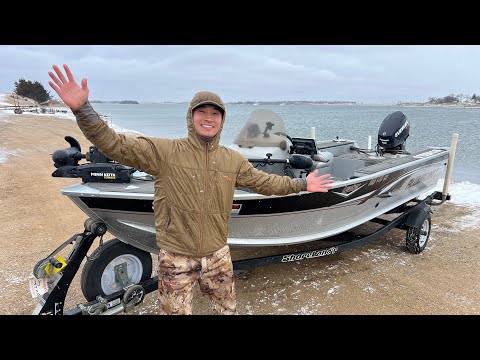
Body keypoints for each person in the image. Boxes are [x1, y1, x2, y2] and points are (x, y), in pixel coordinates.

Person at [48, 64, 334, 315]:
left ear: (222, 121)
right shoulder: (165, 152)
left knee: (227, 308)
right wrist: (82, 109)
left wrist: (303, 183)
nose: (208, 118)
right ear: (191, 116)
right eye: (202, 112)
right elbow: (114, 143)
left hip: (218, 255)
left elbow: (265, 182)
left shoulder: (231, 159)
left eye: (215, 113)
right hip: (175, 256)